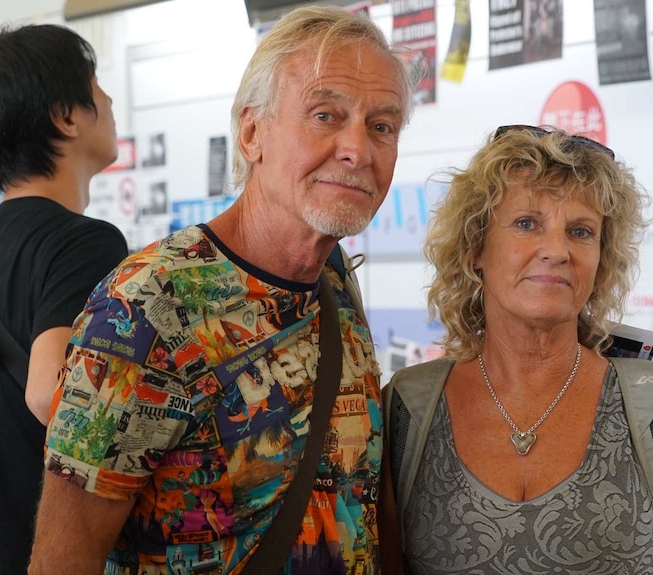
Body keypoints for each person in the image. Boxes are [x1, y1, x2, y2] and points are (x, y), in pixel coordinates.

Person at [28, 5, 414, 574]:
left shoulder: (334, 283)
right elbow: (64, 560)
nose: (359, 148)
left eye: (381, 125)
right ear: (253, 132)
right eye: (326, 115)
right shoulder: (145, 308)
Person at [382, 125, 653, 574]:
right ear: (476, 248)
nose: (557, 250)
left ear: (600, 258)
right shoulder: (410, 408)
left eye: (581, 231)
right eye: (527, 223)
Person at [0, 24, 128, 574]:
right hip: (47, 548)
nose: (110, 100)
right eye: (96, 86)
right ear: (66, 117)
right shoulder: (85, 242)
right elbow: (53, 395)